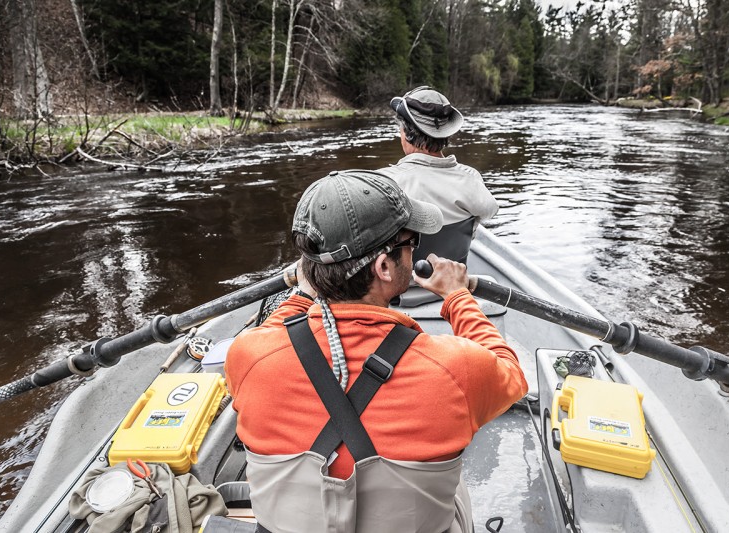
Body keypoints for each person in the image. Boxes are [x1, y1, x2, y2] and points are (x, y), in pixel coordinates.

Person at [224, 169, 527, 533]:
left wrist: (303, 294)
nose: (415, 251)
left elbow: (272, 331)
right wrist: (457, 296)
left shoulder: (247, 355)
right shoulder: (455, 369)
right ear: (384, 266)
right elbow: (511, 373)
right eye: (412, 242)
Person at [379, 86, 499, 265]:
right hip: (453, 278)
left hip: (402, 281)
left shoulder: (383, 183)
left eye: (400, 130)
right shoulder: (471, 179)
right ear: (445, 134)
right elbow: (490, 210)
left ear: (407, 134)